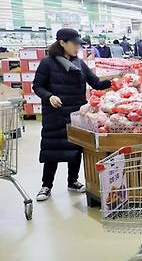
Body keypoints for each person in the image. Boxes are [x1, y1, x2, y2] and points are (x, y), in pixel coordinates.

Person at [32, 28, 111, 201]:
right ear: (62, 43)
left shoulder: (80, 63)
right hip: (55, 113)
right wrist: (49, 96)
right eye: (74, 44)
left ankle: (73, 181)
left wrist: (116, 78)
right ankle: (46, 185)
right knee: (52, 148)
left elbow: (96, 83)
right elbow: (37, 86)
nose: (78, 48)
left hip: (76, 113)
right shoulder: (47, 63)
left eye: (79, 45)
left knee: (75, 148)